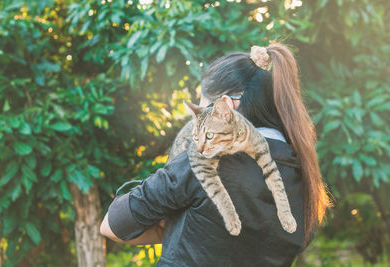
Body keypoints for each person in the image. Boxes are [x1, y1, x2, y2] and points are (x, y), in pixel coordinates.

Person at [100, 42, 330, 266]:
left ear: (225, 107)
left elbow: (113, 226)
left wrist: (173, 225)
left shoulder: (206, 163)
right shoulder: (306, 181)